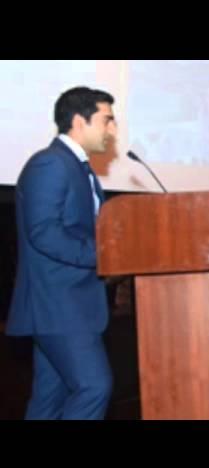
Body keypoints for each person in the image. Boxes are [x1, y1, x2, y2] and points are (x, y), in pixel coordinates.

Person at [6, 86, 117, 419]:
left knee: (48, 401)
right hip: (58, 304)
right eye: (107, 120)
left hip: (73, 305)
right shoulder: (50, 164)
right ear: (80, 121)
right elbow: (44, 233)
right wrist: (103, 256)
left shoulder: (80, 168)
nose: (112, 131)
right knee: (94, 387)